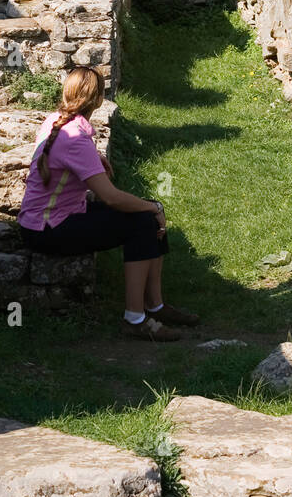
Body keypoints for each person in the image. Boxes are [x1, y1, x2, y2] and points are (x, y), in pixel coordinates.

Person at [18, 65, 199, 341]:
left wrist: (94, 157)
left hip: (47, 219)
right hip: (48, 230)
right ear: (99, 99)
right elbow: (110, 197)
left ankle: (156, 306)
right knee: (142, 220)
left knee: (144, 216)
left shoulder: (56, 120)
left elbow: (62, 159)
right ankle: (135, 319)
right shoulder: (76, 138)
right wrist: (155, 206)